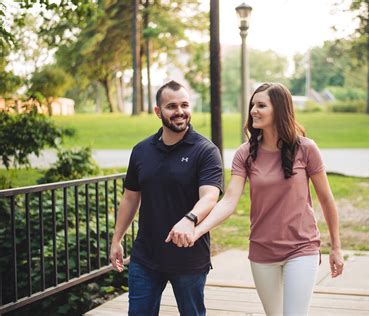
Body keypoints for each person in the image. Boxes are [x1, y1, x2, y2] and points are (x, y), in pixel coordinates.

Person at [177, 82, 344, 315]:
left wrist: (335, 247)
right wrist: (197, 229)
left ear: (279, 110)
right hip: (262, 250)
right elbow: (229, 201)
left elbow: (326, 200)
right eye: (253, 105)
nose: (253, 110)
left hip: (302, 248)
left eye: (261, 105)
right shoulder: (245, 153)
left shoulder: (306, 149)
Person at [109, 80, 223, 316]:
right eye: (172, 106)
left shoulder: (205, 150)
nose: (180, 111)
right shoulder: (141, 150)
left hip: (189, 258)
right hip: (145, 257)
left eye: (184, 105)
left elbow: (210, 196)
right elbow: (130, 198)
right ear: (158, 112)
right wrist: (117, 239)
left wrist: (190, 218)